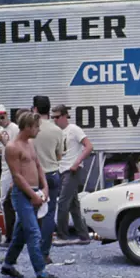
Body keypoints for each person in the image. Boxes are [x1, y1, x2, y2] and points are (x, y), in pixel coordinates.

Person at [0, 112, 59, 278]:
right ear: (27, 127)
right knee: (33, 232)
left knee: (21, 234)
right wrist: (33, 195)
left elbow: (38, 166)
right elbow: (17, 176)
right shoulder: (12, 147)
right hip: (22, 194)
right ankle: (41, 271)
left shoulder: (30, 144)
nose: (38, 130)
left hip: (34, 191)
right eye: (36, 127)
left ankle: (8, 265)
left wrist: (45, 188)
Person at [52, 105, 93, 246]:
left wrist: (77, 163)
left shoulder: (74, 129)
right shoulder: (57, 132)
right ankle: (84, 236)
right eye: (53, 117)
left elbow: (89, 146)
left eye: (57, 117)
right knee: (73, 205)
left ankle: (62, 236)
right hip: (62, 169)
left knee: (63, 203)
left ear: (64, 116)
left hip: (72, 170)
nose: (54, 120)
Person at [32, 96, 64, 264]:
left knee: (32, 213)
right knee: (50, 213)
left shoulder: (30, 127)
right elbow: (59, 154)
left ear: (35, 109)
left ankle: (33, 249)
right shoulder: (57, 130)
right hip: (52, 174)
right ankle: (45, 253)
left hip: (34, 176)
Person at [0, 104, 20, 247]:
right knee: (6, 202)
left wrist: (1, 141)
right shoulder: (2, 129)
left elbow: (15, 149)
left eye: (2, 117)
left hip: (12, 168)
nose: (0, 121)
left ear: (7, 115)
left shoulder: (14, 128)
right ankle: (12, 235)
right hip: (6, 167)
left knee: (6, 202)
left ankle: (10, 236)